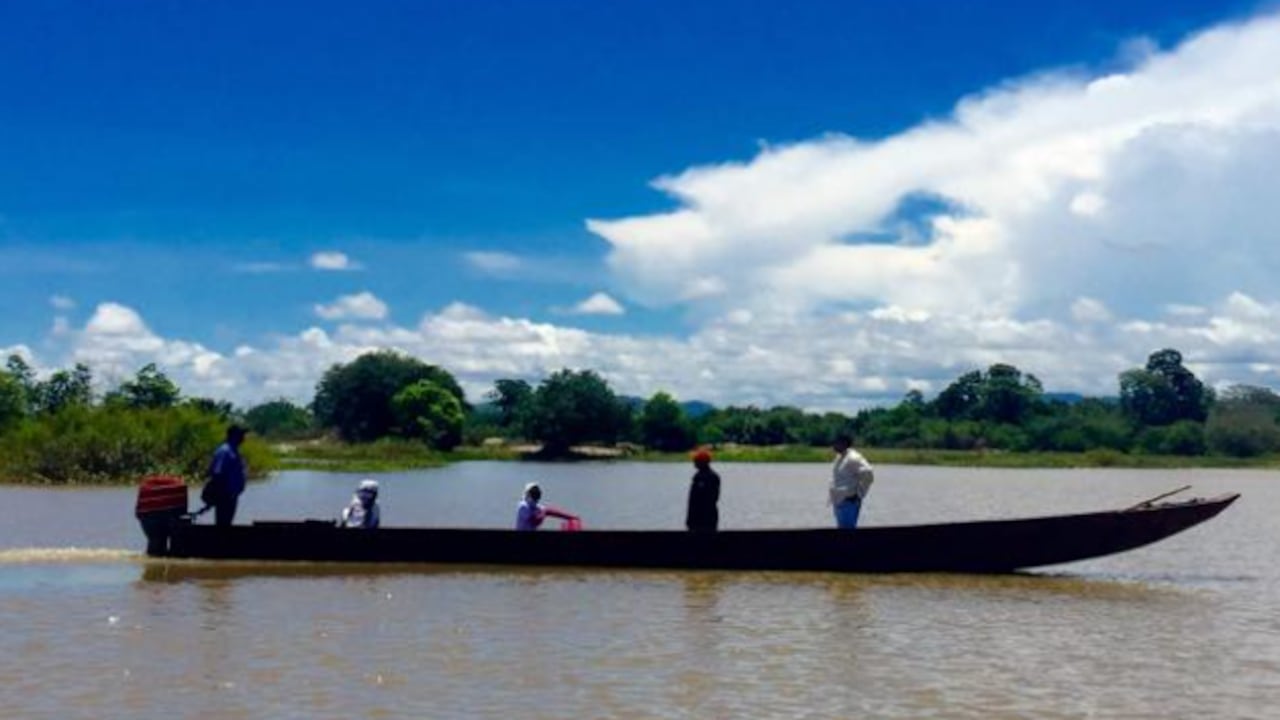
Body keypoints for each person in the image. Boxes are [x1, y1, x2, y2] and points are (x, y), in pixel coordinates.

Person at [203, 424, 249, 527]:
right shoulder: (225, 451)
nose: (243, 437)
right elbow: (217, 473)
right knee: (223, 526)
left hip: (231, 496)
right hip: (225, 496)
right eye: (241, 434)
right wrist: (220, 496)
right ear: (234, 436)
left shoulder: (233, 451)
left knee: (227, 526)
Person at [829, 433, 874, 529]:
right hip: (839, 502)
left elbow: (868, 473)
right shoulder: (839, 457)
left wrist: (859, 493)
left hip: (849, 502)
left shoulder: (853, 457)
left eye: (836, 443)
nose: (833, 446)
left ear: (844, 443)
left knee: (848, 531)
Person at [686, 448, 720, 531]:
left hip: (702, 518)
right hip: (709, 517)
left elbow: (695, 500)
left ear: (702, 462)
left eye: (695, 460)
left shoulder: (706, 477)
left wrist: (690, 519)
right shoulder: (712, 476)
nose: (694, 462)